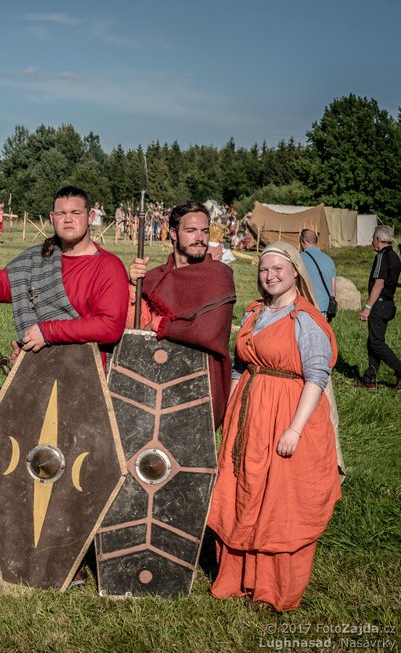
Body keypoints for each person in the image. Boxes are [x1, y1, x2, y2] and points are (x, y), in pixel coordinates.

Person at [208, 241, 339, 613]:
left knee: (280, 500)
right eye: (265, 270)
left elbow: (316, 376)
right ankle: (238, 578)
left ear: (295, 272)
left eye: (278, 269)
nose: (270, 276)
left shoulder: (306, 320)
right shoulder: (254, 313)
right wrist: (230, 411)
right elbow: (238, 367)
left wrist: (294, 429)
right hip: (249, 414)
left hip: (287, 414)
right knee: (243, 490)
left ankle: (273, 587)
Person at [0, 185, 129, 367]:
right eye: (61, 214)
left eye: (76, 213)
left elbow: (110, 327)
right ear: (52, 218)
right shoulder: (39, 257)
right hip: (39, 371)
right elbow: (5, 284)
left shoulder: (109, 266)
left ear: (90, 217)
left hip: (87, 374)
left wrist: (49, 331)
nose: (68, 219)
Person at [126, 202, 236, 429]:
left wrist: (160, 324)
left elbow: (208, 334)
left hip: (198, 384)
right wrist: (130, 285)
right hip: (152, 381)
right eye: (191, 230)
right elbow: (133, 330)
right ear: (174, 233)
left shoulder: (218, 277)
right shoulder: (154, 278)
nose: (200, 238)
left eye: (205, 231)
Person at [358, 225, 401, 389]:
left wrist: (368, 307)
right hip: (388, 304)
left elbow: (379, 283)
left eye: (373, 239)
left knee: (376, 343)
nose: (372, 242)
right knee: (374, 341)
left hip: (380, 304)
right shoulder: (395, 256)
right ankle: (370, 378)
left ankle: (399, 370)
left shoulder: (382, 256)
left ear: (378, 240)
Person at [298, 228, 336, 320]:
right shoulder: (329, 260)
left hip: (307, 309)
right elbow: (333, 288)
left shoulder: (299, 259)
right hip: (326, 309)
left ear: (303, 241)